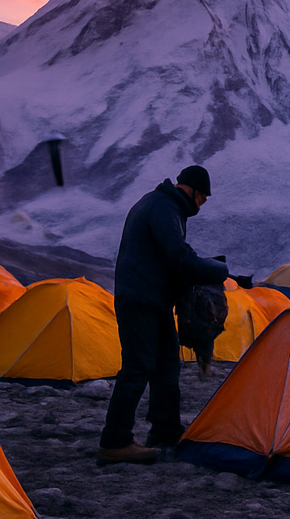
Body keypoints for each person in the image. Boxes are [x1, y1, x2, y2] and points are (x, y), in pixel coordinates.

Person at [98, 165, 250, 464]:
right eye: (202, 198)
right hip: (140, 300)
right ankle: (114, 441)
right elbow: (179, 258)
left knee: (167, 364)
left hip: (153, 298)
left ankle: (165, 429)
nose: (202, 205)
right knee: (138, 367)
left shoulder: (162, 204)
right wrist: (221, 269)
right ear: (193, 191)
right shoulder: (164, 207)